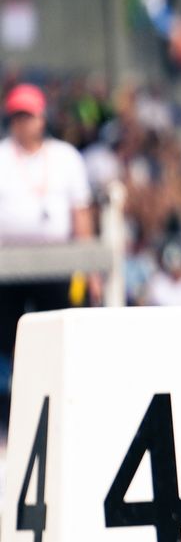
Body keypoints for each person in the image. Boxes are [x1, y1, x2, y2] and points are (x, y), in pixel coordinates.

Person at [0, 83, 94, 371]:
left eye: (28, 115)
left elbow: (80, 212)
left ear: (42, 118)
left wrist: (88, 265)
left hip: (57, 262)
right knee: (9, 335)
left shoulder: (65, 157)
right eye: (17, 116)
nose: (22, 123)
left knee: (60, 330)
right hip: (9, 265)